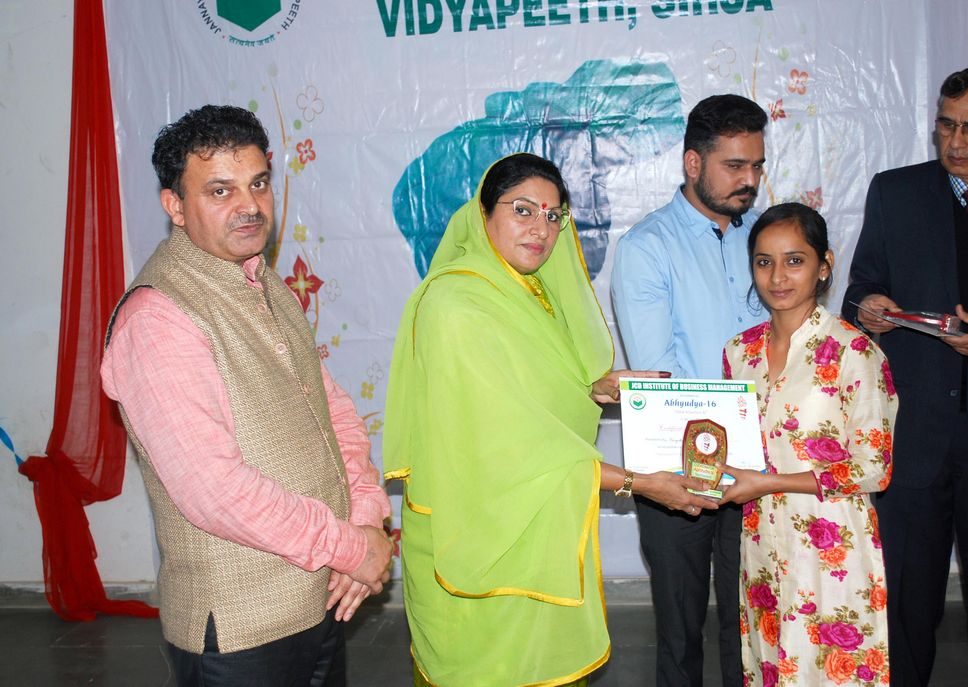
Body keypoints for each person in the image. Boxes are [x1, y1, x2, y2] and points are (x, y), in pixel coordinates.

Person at [383, 153, 718, 687]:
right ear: (483, 214)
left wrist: (596, 388)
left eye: (553, 215)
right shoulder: (455, 305)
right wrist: (639, 483)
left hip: (532, 527)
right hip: (477, 539)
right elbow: (509, 440)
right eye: (522, 210)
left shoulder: (527, 291)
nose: (541, 229)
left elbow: (527, 394)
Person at [101, 105, 392, 686]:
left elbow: (330, 411)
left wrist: (365, 518)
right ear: (174, 206)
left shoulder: (260, 277)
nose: (250, 206)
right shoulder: (158, 317)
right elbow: (214, 490)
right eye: (220, 190)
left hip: (322, 599)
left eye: (258, 183)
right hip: (240, 631)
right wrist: (349, 546)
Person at [842, 67, 968, 686]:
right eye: (945, 125)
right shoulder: (895, 192)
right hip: (915, 433)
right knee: (905, 606)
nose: (955, 141)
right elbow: (860, 289)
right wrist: (869, 308)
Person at [610, 94, 768, 687]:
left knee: (750, 625)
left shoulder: (768, 237)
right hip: (675, 468)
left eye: (757, 165)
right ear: (693, 163)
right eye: (735, 166)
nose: (749, 180)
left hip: (760, 464)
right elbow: (658, 373)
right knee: (680, 632)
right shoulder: (648, 246)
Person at [719, 203, 897, 685]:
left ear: (824, 265)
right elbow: (734, 449)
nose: (777, 277)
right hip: (761, 540)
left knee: (830, 672)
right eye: (764, 262)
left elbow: (874, 468)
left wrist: (769, 482)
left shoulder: (855, 351)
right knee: (770, 667)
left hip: (831, 544)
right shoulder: (739, 352)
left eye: (794, 260)